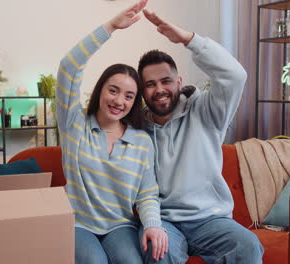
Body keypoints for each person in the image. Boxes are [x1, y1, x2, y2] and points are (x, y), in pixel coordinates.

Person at [137, 9, 264, 264]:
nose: (159, 89)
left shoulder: (207, 111)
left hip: (211, 220)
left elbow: (235, 76)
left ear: (179, 81)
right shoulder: (137, 129)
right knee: (158, 253)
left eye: (166, 81)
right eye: (150, 84)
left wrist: (188, 39)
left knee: (248, 246)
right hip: (163, 221)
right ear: (142, 90)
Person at [55, 1, 167, 263]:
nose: (119, 101)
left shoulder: (141, 141)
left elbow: (147, 194)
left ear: (134, 102)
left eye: (129, 96)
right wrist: (111, 27)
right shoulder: (74, 123)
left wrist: (153, 224)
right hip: (77, 224)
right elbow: (68, 67)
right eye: (113, 90)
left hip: (120, 226)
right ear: (100, 90)